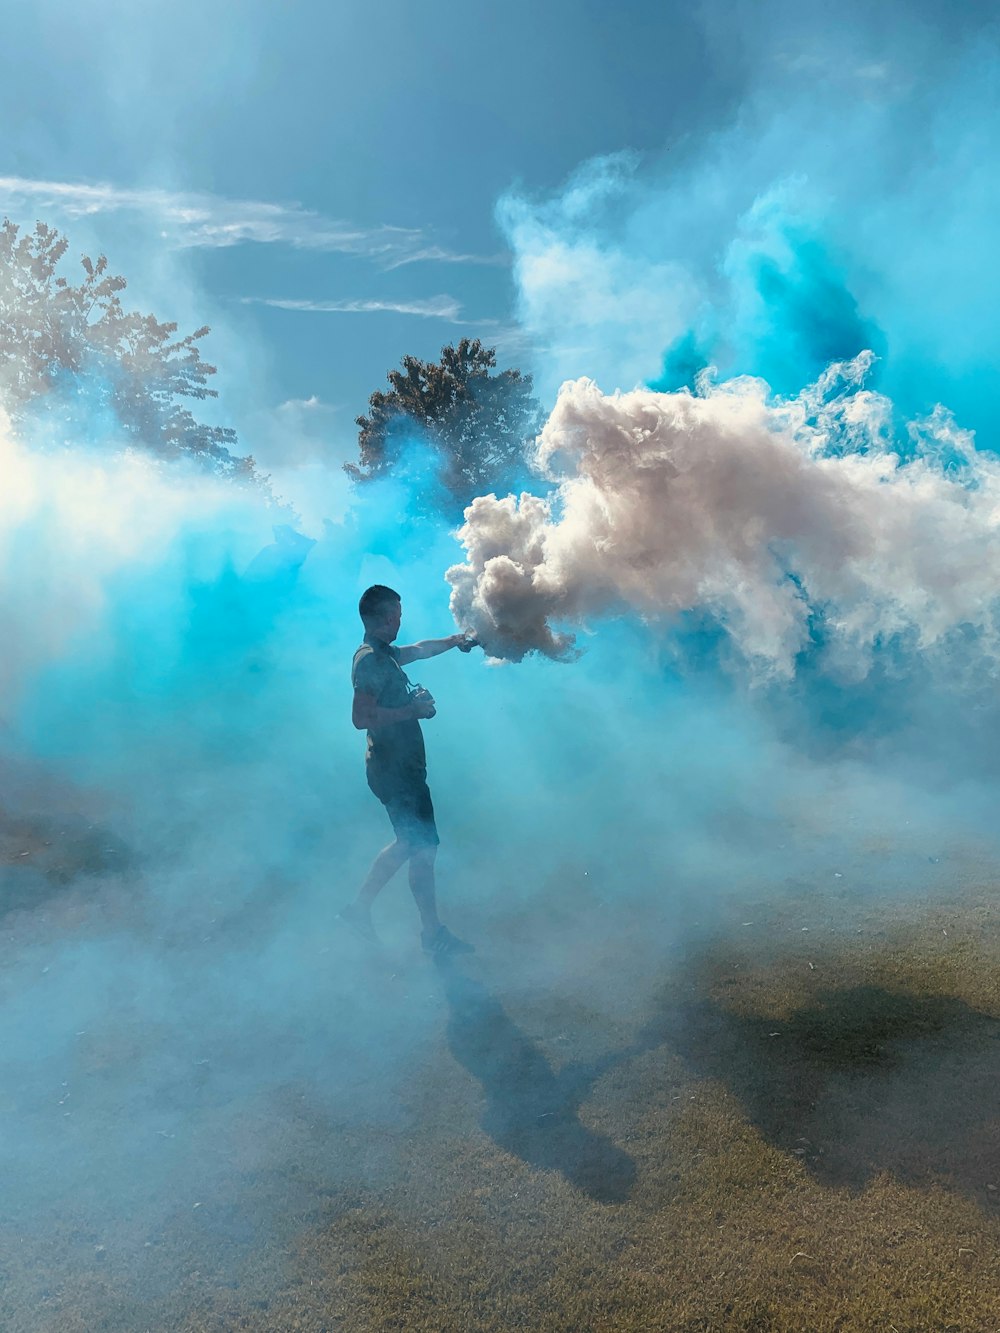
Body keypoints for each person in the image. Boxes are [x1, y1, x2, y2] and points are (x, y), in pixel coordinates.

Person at [340, 584, 477, 955]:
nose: (401, 620)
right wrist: (411, 711)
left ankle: (362, 912)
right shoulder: (369, 661)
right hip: (394, 772)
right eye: (398, 615)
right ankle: (430, 933)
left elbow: (418, 650)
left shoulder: (384, 655)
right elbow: (361, 718)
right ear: (387, 618)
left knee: (412, 845)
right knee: (421, 846)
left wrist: (455, 640)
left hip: (400, 769)